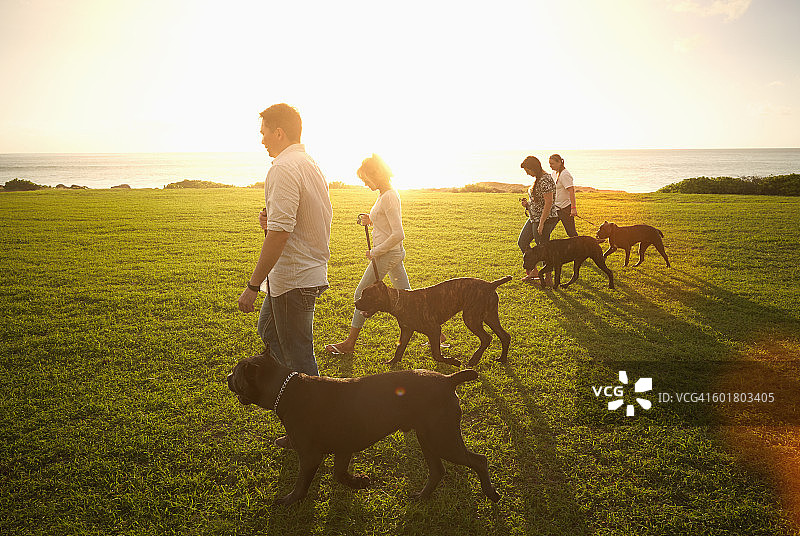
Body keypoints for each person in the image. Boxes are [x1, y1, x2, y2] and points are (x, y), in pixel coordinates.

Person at [237, 103, 332, 408]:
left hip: (294, 278)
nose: (261, 140)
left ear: (278, 132)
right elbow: (298, 221)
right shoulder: (309, 164)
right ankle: (293, 397)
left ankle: (317, 422)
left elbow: (281, 234)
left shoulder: (283, 168)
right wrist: (272, 224)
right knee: (268, 330)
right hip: (303, 272)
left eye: (263, 133)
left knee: (299, 354)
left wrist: (252, 287)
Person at [325, 155, 445, 355]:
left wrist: (375, 252)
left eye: (365, 178)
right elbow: (386, 223)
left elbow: (398, 233)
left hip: (388, 254)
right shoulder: (384, 194)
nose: (364, 183)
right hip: (393, 254)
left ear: (376, 174)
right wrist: (370, 219)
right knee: (410, 297)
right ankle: (439, 336)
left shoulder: (389, 196)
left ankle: (349, 344)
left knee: (360, 293)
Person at [517, 155, 558, 285]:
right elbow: (538, 201)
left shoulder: (545, 179)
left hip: (545, 219)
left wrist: (541, 223)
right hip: (533, 218)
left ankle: (548, 279)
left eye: (527, 170)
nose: (527, 173)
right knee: (522, 242)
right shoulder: (538, 178)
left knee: (544, 249)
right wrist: (528, 204)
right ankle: (533, 271)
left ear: (533, 168)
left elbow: (549, 202)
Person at [549, 153, 578, 237]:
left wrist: (573, 208)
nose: (550, 166)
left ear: (559, 163)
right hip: (555, 208)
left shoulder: (565, 174)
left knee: (571, 232)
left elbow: (571, 191)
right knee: (547, 230)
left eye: (552, 163)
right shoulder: (554, 173)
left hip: (565, 208)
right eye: (550, 164)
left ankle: (579, 248)